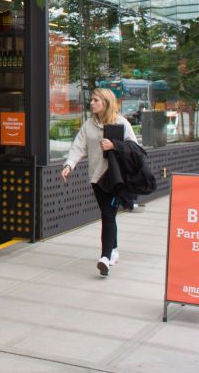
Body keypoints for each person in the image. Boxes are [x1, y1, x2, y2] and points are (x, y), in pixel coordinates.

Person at [61, 88, 137, 277]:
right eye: (92, 100)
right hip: (96, 177)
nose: (92, 103)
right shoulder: (89, 124)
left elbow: (135, 148)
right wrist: (69, 165)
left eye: (96, 100)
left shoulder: (121, 123)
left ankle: (104, 258)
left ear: (106, 102)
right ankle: (114, 250)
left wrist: (115, 145)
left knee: (108, 215)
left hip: (115, 178)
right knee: (108, 214)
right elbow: (78, 147)